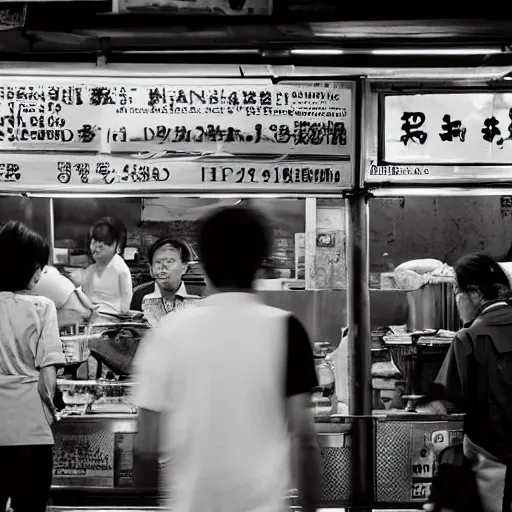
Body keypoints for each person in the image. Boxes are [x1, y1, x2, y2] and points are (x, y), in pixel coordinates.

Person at [133, 206, 322, 512]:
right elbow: (304, 441)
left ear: (201, 264)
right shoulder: (287, 329)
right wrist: (310, 507)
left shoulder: (167, 333)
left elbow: (145, 447)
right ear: (261, 264)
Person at [423, 253, 512, 512]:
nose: (455, 298)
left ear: (474, 294)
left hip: (490, 464)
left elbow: (446, 401)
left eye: (455, 289)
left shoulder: (468, 338)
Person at [0, 221, 66, 512]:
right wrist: (54, 410)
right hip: (29, 434)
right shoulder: (42, 307)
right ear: (35, 269)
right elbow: (47, 379)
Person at [131, 237, 201, 327]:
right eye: (158, 262)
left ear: (184, 267)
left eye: (169, 261)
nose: (163, 268)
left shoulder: (199, 297)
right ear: (151, 269)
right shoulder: (137, 297)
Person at [82, 217, 133, 320]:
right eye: (93, 242)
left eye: (102, 243)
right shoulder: (90, 270)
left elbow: (126, 298)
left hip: (113, 321)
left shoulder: (120, 268)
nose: (96, 247)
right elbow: (86, 298)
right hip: (91, 320)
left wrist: (122, 321)